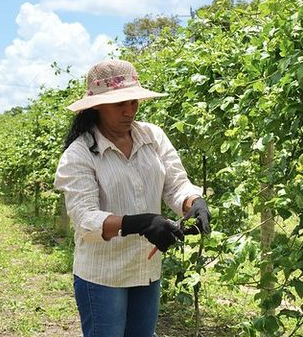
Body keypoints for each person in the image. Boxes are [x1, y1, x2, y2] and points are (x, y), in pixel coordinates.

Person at [54, 58, 212, 337]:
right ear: (97, 106)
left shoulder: (153, 137)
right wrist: (139, 223)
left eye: (134, 102)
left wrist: (193, 202)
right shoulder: (80, 154)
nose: (130, 110)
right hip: (103, 275)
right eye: (120, 104)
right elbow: (85, 219)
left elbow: (176, 185)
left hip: (146, 268)